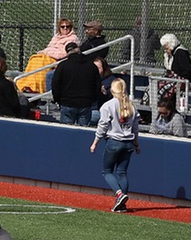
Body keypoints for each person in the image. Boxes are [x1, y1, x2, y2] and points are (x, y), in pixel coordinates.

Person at [89, 77, 142, 212]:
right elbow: (135, 127)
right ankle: (122, 205)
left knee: (107, 171)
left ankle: (119, 195)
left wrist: (95, 141)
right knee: (122, 173)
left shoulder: (108, 105)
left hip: (114, 142)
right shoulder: (132, 106)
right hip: (128, 143)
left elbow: (103, 125)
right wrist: (136, 144)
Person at [49, 40, 101, 126]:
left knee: (66, 133)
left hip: (67, 102)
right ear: (79, 50)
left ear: (67, 53)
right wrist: (92, 100)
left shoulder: (63, 66)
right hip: (86, 103)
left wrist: (58, 100)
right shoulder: (91, 66)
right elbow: (97, 85)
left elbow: (55, 85)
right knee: (84, 133)